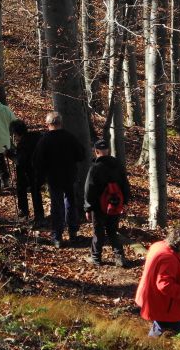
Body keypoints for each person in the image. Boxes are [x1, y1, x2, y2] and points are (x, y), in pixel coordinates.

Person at [135, 226, 180, 337]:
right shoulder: (169, 258)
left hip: (155, 301)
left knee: (159, 330)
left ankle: (147, 349)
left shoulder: (159, 246)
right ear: (179, 245)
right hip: (166, 307)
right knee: (177, 339)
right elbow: (165, 285)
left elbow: (171, 266)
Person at [33, 111, 85, 248]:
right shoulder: (70, 137)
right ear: (61, 123)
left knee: (57, 206)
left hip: (54, 178)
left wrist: (41, 176)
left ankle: (57, 236)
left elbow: (37, 161)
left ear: (48, 124)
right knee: (70, 202)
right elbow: (81, 155)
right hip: (69, 175)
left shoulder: (44, 140)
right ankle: (73, 232)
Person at [83, 139, 130, 267]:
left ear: (96, 152)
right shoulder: (118, 165)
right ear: (108, 151)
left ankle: (96, 258)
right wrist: (125, 201)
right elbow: (125, 184)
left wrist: (88, 208)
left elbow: (89, 189)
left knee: (98, 232)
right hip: (115, 204)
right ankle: (119, 257)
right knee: (112, 231)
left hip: (99, 207)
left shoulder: (95, 168)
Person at [9, 119, 45, 223]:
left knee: (25, 190)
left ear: (16, 133)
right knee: (36, 193)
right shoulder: (35, 137)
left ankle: (25, 213)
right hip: (38, 170)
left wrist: (10, 155)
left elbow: (20, 161)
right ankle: (38, 215)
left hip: (28, 172)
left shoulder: (23, 143)